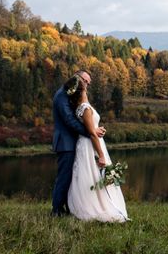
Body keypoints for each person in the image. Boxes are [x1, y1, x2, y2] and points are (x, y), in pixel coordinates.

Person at [66, 73, 128, 222]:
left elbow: (91, 129)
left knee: (90, 175)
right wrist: (100, 155)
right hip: (89, 145)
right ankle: (93, 207)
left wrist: (97, 129)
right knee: (91, 174)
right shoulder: (85, 108)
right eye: (86, 85)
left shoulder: (82, 107)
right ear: (82, 91)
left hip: (90, 141)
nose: (88, 86)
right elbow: (91, 134)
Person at [51, 71, 105, 217]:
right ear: (76, 77)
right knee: (64, 177)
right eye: (85, 81)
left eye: (88, 83)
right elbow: (69, 121)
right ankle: (56, 211)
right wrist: (91, 132)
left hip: (73, 142)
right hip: (65, 143)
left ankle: (70, 208)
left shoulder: (70, 95)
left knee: (73, 178)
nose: (87, 85)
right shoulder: (61, 95)